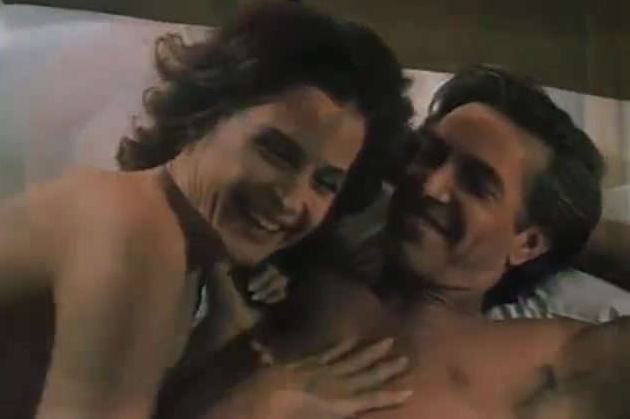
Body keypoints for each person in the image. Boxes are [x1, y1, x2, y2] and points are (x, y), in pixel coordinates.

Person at [0, 2, 415, 419]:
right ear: (204, 115)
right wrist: (256, 408)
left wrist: (228, 339)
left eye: (326, 183)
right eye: (275, 151)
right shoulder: (136, 229)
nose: (291, 199)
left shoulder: (188, 270)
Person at [162, 64, 630, 419]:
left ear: (529, 243)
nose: (430, 185)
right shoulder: (297, 276)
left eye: (476, 182)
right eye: (429, 154)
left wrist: (573, 235)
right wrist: (256, 397)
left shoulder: (554, 360)